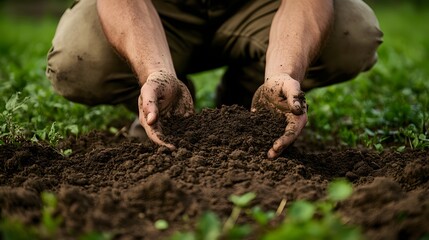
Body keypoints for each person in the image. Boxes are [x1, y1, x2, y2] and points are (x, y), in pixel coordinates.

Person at [46, 0, 383, 158]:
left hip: (257, 7)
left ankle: (247, 95)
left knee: (352, 35)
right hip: (159, 12)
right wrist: (154, 71)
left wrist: (283, 72)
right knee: (78, 59)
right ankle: (165, 98)